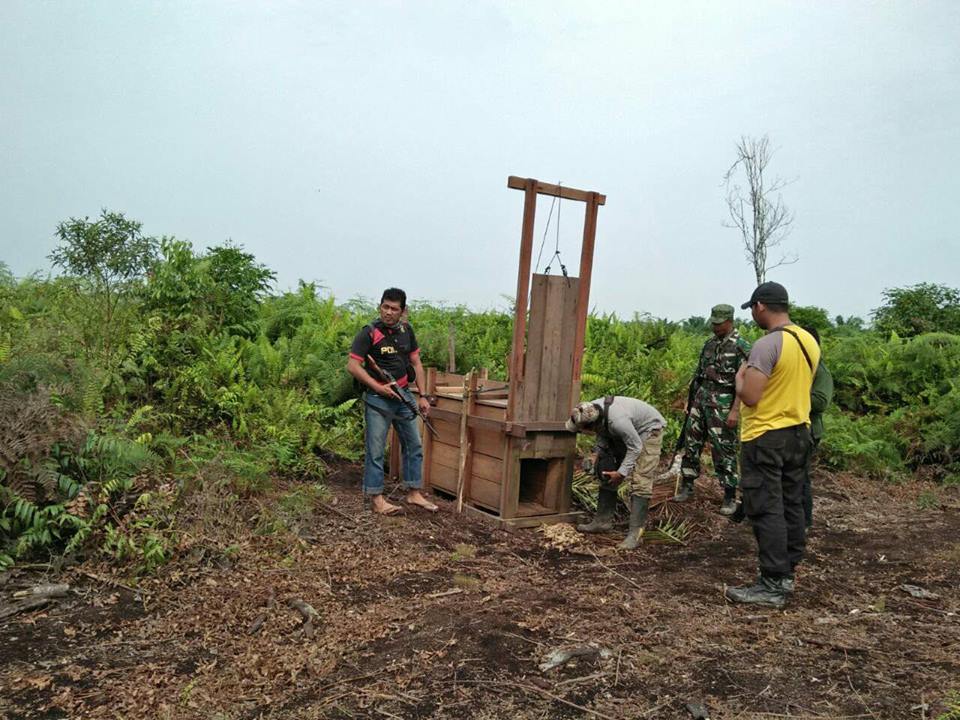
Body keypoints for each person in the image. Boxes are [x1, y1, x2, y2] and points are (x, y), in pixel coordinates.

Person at [725, 281, 820, 609]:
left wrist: (740, 378)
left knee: (766, 507)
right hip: (798, 432)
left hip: (766, 436)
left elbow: (751, 396)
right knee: (792, 503)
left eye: (752, 308)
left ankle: (771, 583)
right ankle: (788, 572)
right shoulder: (808, 340)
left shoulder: (767, 345)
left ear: (761, 306)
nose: (753, 314)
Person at [346, 288, 437, 515]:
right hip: (378, 399)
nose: (388, 312)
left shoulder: (407, 331)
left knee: (414, 444)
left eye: (394, 309)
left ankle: (414, 493)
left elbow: (416, 362)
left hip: (404, 396)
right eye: (385, 307)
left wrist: (423, 396)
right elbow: (353, 365)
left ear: (403, 311)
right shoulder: (369, 332)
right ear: (380, 306)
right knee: (375, 449)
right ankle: (376, 498)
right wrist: (378, 387)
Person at [674, 304, 752, 514]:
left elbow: (743, 383)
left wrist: (735, 410)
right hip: (701, 399)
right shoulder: (708, 344)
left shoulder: (741, 347)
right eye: (713, 323)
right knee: (691, 442)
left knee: (723, 448)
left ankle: (728, 494)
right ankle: (687, 484)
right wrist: (690, 403)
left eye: (719, 324)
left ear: (730, 321)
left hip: (724, 402)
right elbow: (698, 376)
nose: (715, 328)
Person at [566, 396, 666, 549]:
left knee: (641, 480)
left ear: (590, 426)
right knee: (606, 466)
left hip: (647, 431)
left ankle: (635, 535)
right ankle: (602, 521)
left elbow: (635, 447)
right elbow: (603, 432)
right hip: (628, 432)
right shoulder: (593, 410)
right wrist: (596, 454)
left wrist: (621, 473)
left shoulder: (618, 422)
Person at [802, 325, 834, 529]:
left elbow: (821, 402)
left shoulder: (819, 370)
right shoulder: (800, 367)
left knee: (799, 478)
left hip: (808, 432)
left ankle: (804, 522)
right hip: (791, 429)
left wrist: (792, 395)